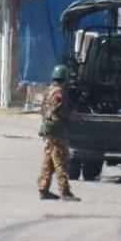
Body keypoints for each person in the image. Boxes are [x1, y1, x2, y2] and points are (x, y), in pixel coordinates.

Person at [37, 65, 80, 202]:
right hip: (56, 130)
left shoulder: (48, 90)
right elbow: (59, 110)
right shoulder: (59, 93)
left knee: (48, 161)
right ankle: (65, 191)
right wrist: (72, 116)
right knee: (61, 160)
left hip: (48, 129)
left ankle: (44, 189)